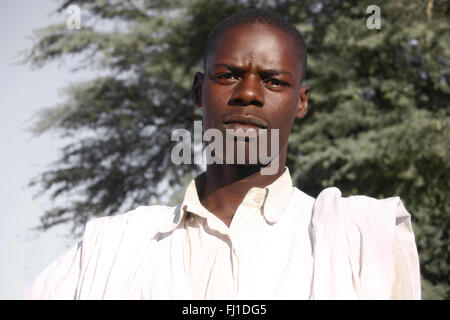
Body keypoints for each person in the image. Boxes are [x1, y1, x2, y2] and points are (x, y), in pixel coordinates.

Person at [24, 8, 421, 300]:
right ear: (199, 90)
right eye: (228, 75)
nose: (248, 92)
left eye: (273, 81)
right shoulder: (112, 247)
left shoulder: (358, 237)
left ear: (300, 103)